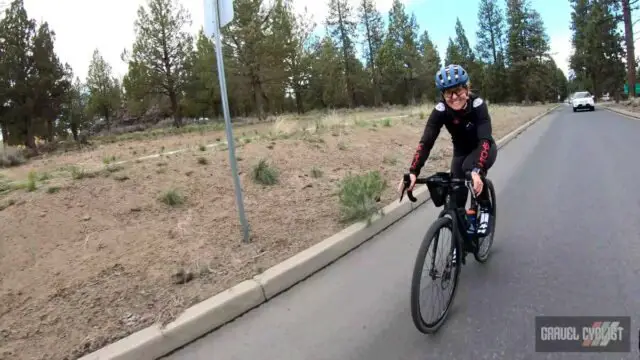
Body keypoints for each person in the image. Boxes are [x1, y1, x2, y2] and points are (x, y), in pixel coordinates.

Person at [398, 64, 497, 236]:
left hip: (483, 149)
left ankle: (485, 207)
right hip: (460, 153)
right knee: (455, 199)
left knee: (469, 171)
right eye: (447, 93)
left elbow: (485, 139)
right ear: (442, 94)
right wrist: (413, 171)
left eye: (458, 91)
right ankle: (459, 242)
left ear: (467, 89)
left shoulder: (478, 105)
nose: (453, 97)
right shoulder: (441, 110)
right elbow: (426, 142)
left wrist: (477, 169)